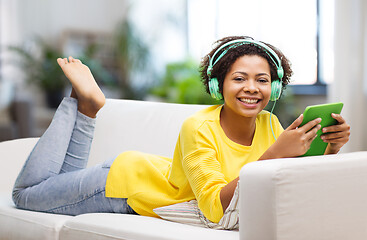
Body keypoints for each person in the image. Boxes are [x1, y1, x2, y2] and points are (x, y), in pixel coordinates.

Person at [12, 36, 350, 226]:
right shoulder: (198, 127)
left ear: (274, 89)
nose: (252, 88)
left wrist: (329, 145)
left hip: (147, 172)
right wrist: (277, 152)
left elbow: (286, 178)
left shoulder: (269, 124)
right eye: (239, 78)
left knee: (53, 184)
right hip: (121, 187)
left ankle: (87, 106)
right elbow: (215, 210)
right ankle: (83, 106)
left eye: (262, 80)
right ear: (219, 85)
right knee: (26, 195)